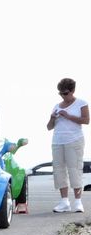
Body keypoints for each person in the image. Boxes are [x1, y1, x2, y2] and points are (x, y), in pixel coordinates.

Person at [47, 77, 89, 214]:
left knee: (75, 169)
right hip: (57, 141)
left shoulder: (81, 103)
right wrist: (52, 118)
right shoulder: (56, 106)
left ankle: (78, 202)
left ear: (72, 91)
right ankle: (64, 202)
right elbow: (49, 127)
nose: (63, 96)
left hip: (74, 140)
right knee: (59, 170)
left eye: (65, 93)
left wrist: (68, 115)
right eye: (60, 93)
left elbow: (86, 120)